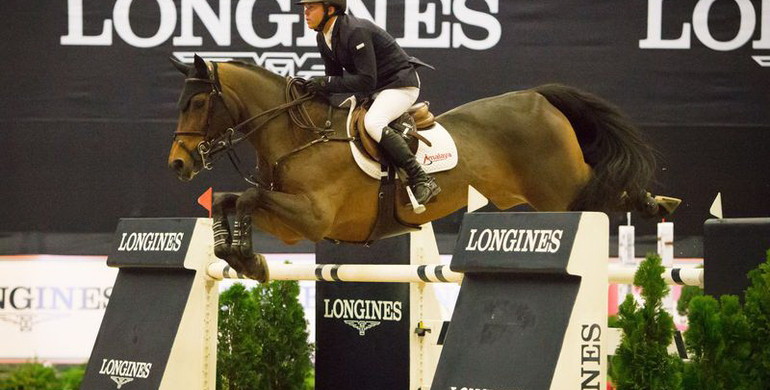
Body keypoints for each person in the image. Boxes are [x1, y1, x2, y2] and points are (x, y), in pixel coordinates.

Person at [297, 0, 441, 206]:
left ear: (330, 9)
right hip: (374, 90)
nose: (305, 12)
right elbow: (334, 79)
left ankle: (422, 178)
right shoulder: (323, 37)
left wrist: (324, 82)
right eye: (304, 8)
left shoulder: (355, 32)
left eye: (311, 7)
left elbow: (366, 79)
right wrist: (314, 92)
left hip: (399, 85)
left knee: (373, 123)